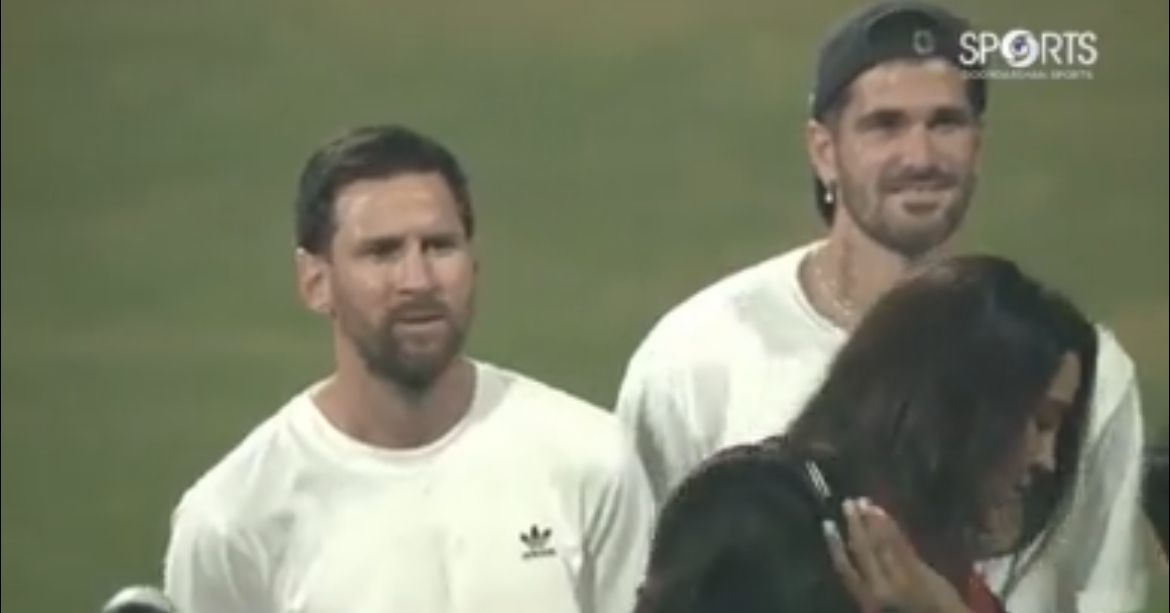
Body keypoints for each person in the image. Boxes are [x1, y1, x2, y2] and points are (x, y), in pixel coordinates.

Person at [616, 2, 1149, 611]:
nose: (920, 156)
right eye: (884, 125)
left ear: (978, 145)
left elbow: (1108, 597)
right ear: (823, 150)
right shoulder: (695, 357)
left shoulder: (1075, 372)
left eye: (946, 123)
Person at [163, 125, 654, 613]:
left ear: (474, 263)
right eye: (382, 252)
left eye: (440, 246)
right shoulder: (235, 522)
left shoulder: (590, 463)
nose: (417, 281)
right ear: (315, 281)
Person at [634, 255, 1096, 613]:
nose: (1047, 459)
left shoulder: (941, 576)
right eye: (1039, 422)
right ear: (957, 404)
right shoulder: (757, 516)